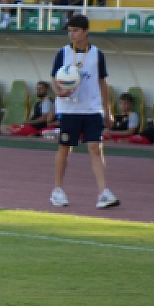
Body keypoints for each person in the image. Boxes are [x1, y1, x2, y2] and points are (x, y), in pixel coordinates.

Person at [49, 14, 119, 209]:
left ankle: (103, 192)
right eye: (70, 31)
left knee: (95, 148)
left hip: (92, 109)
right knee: (65, 147)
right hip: (70, 109)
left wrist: (108, 110)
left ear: (86, 31)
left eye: (76, 30)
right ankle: (57, 190)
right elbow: (54, 79)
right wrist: (59, 93)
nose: (72, 34)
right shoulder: (62, 53)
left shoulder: (97, 54)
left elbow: (102, 82)